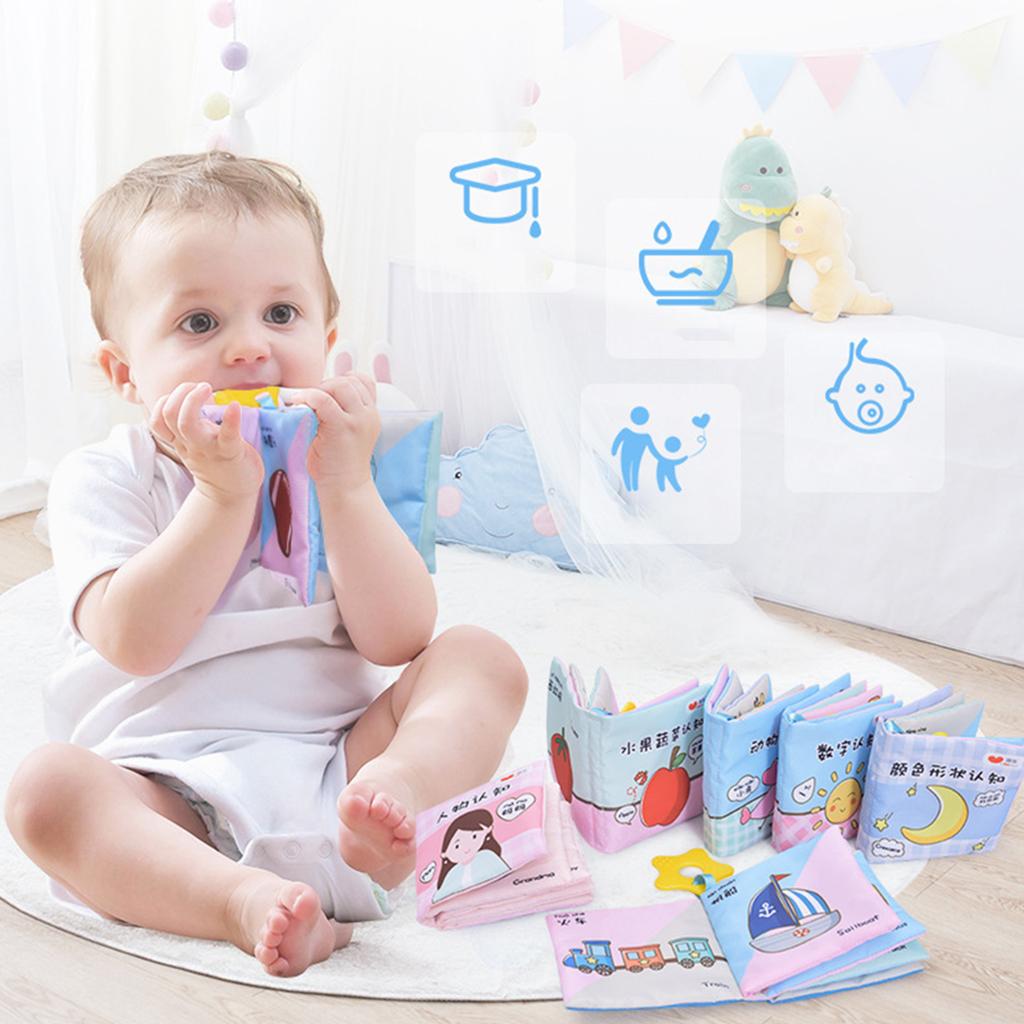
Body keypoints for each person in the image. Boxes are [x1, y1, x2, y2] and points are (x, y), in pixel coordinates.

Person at [2, 151, 528, 978]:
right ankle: (237, 900)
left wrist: (345, 487)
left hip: (340, 768)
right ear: (125, 372)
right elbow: (136, 642)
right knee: (45, 793)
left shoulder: (342, 460)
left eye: (281, 313)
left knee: (479, 658)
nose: (250, 348)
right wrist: (221, 498)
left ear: (326, 340)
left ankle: (398, 803)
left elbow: (399, 638)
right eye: (199, 324)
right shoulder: (105, 479)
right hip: (167, 790)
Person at [431, 809, 511, 904]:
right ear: (445, 854)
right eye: (457, 846)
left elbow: (505, 873)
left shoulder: (487, 856)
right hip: (462, 906)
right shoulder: (453, 873)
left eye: (474, 836)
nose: (466, 847)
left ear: (486, 831)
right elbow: (439, 896)